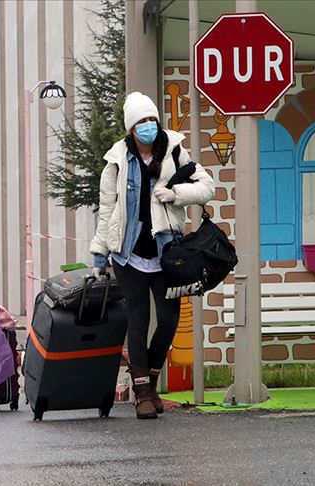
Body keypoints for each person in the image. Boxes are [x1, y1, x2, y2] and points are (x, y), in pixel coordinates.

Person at [90, 92, 215, 419]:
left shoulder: (175, 150)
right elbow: (107, 210)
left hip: (167, 254)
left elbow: (207, 187)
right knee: (138, 320)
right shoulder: (116, 160)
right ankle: (143, 393)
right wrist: (100, 253)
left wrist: (175, 194)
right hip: (128, 254)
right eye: (141, 122)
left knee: (169, 321)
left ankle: (151, 379)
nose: (148, 126)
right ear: (131, 128)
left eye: (151, 120)